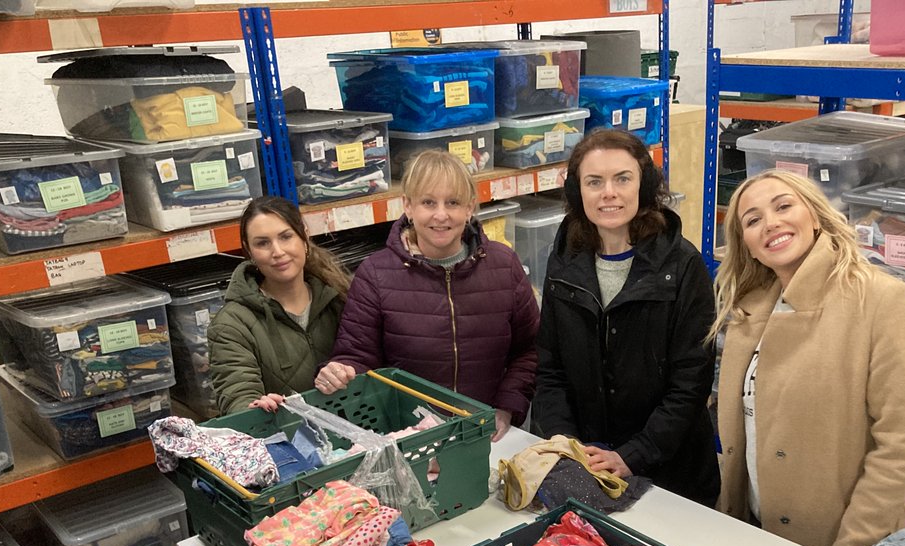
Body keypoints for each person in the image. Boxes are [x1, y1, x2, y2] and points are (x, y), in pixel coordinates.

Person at [713, 169, 905, 546]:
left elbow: (898, 446)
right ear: (748, 246)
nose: (771, 223)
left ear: (814, 216)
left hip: (844, 545)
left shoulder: (880, 299)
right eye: (753, 220)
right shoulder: (751, 308)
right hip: (757, 532)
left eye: (783, 206)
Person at [531, 129, 720, 506]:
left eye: (622, 178)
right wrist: (566, 444)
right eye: (594, 182)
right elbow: (550, 368)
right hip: (586, 464)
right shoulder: (564, 260)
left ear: (644, 185)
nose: (609, 193)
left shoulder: (682, 265)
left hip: (670, 473)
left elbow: (691, 382)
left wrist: (633, 454)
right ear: (577, 191)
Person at [316, 150, 539, 441]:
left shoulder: (504, 265)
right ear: (408, 206)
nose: (441, 215)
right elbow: (357, 357)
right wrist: (338, 372)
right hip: (410, 436)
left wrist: (507, 407)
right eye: (428, 202)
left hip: (486, 431)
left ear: (470, 207)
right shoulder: (375, 274)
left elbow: (530, 349)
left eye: (453, 202)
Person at [208, 196, 352, 414]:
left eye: (286, 237)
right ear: (249, 251)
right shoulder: (232, 324)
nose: (277, 252)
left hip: (357, 427)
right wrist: (255, 408)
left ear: (304, 236)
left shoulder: (340, 297)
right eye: (262, 243)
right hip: (282, 432)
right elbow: (237, 396)